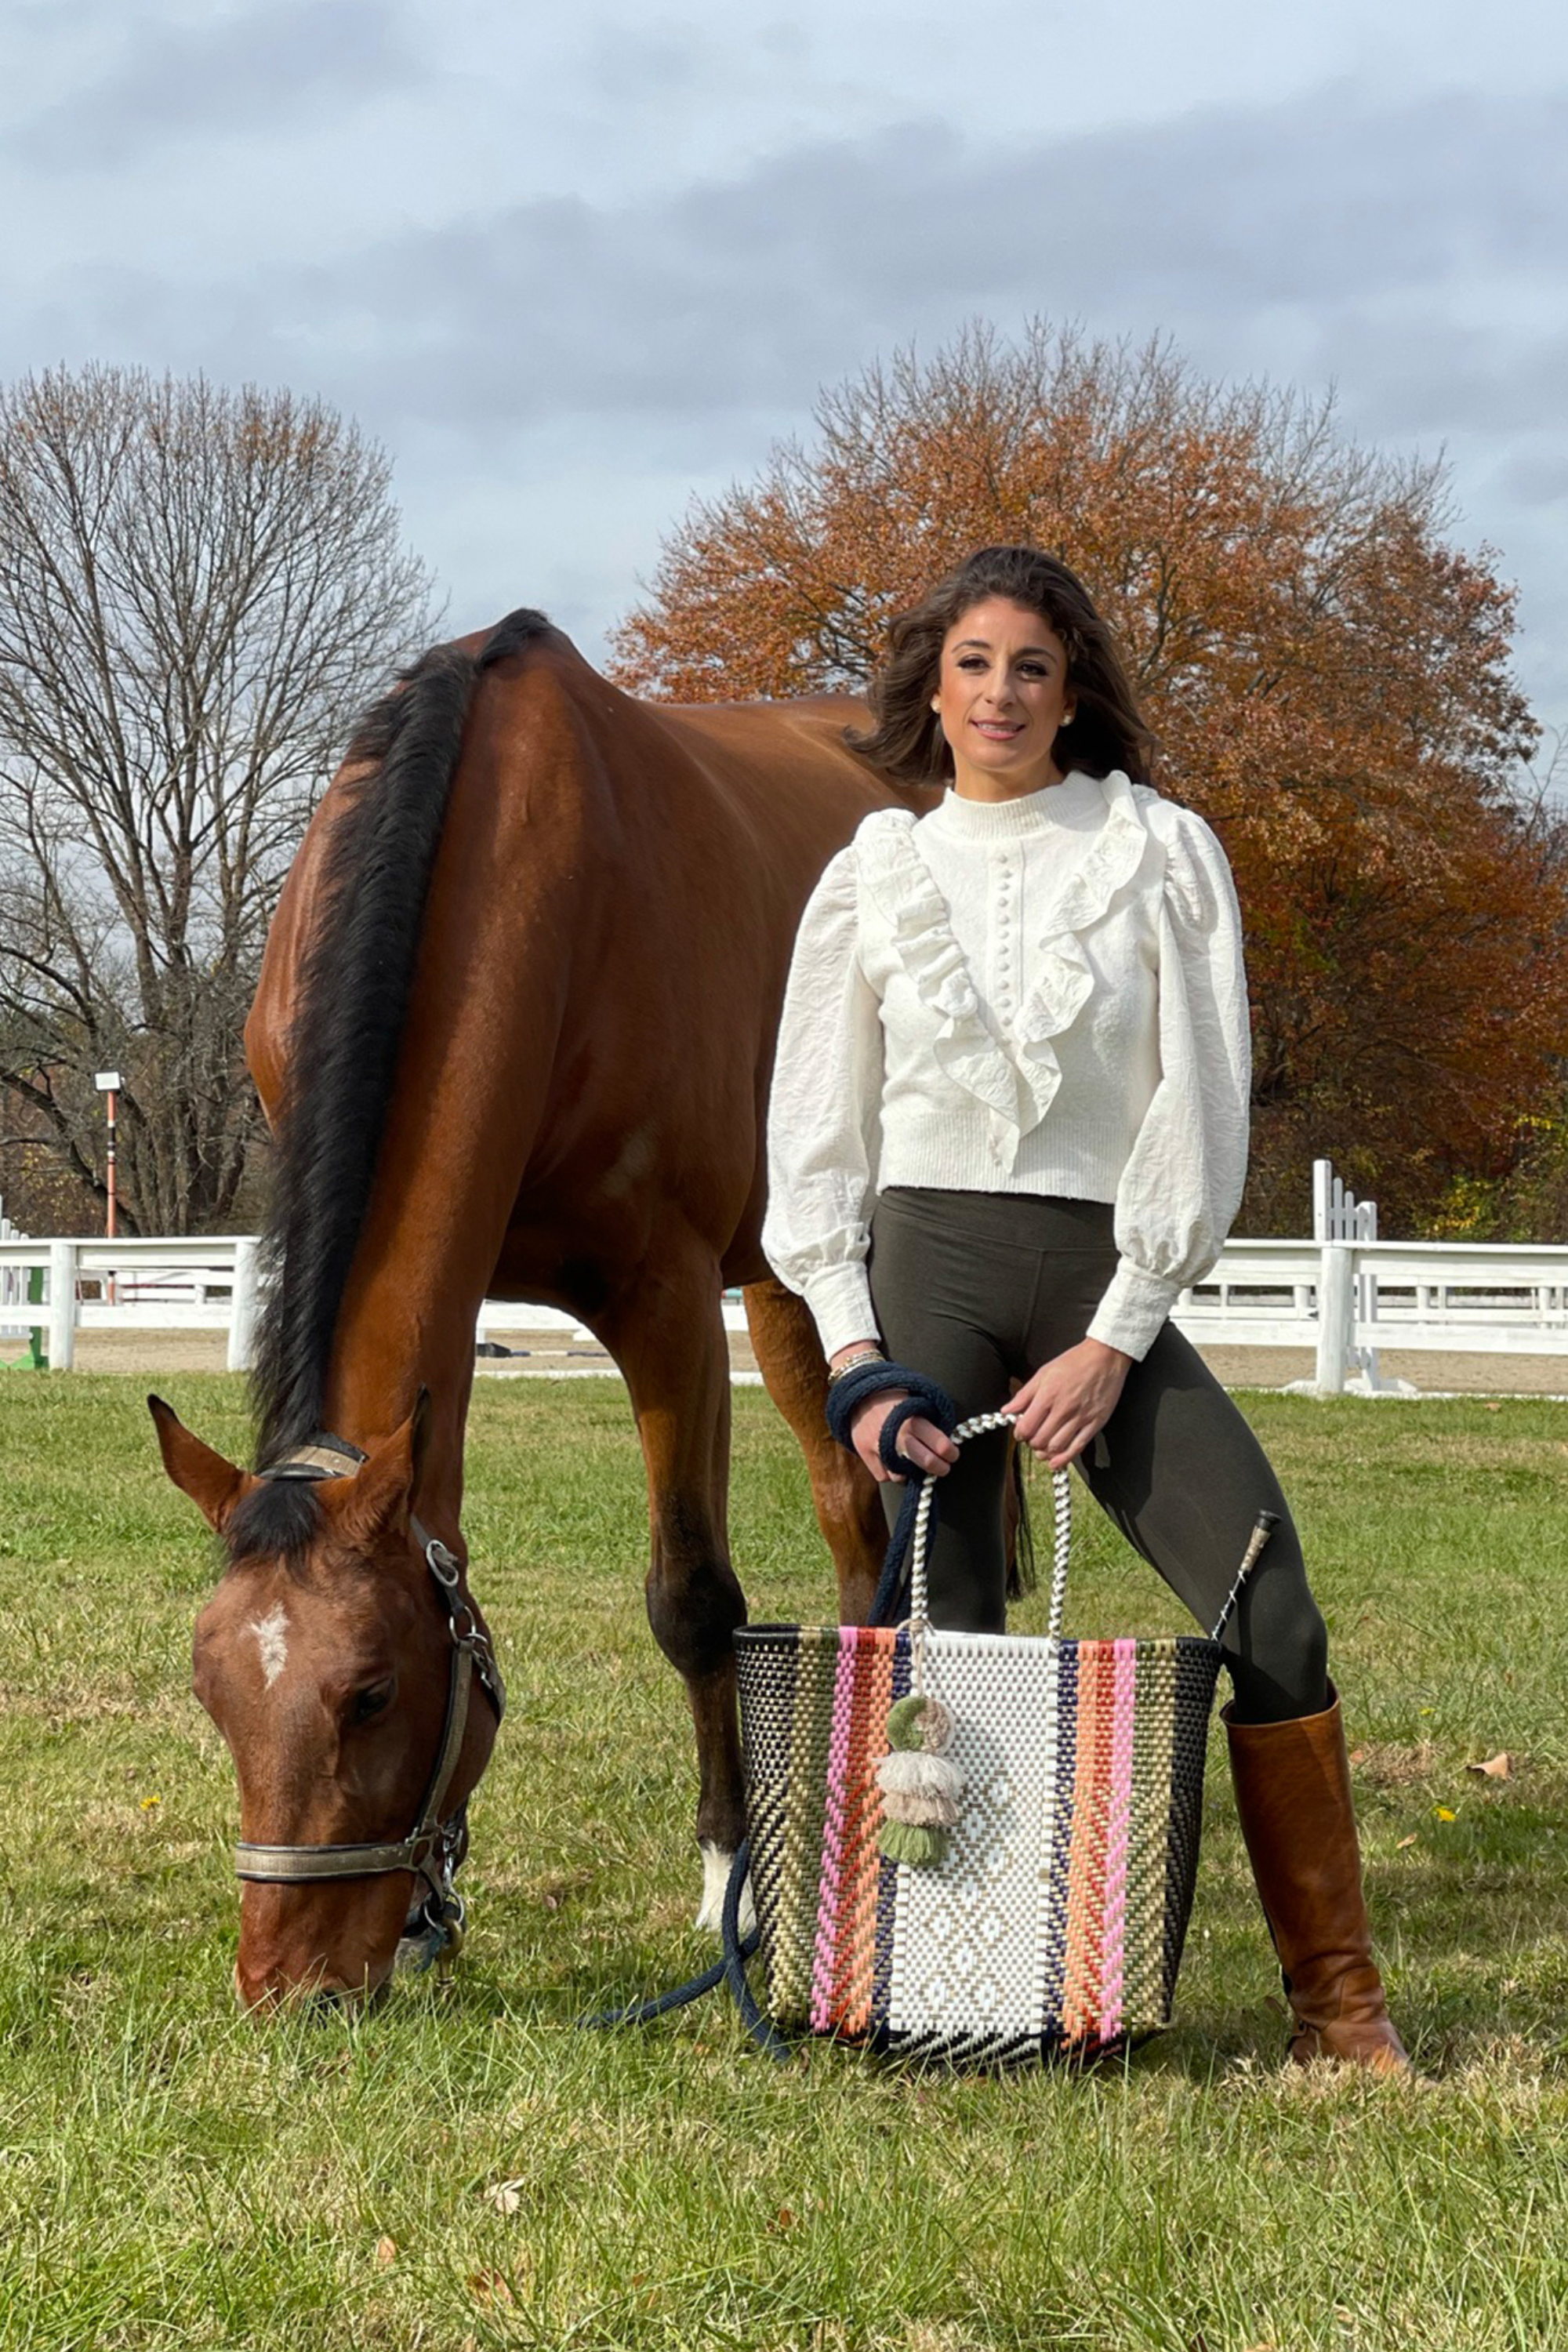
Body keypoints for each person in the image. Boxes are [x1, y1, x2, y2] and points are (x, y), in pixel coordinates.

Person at [762, 544, 1407, 2073]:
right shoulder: (873, 873)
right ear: (934, 682)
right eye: (973, 662)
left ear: (1072, 692)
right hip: (925, 1268)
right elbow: (815, 1132)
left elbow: (1203, 1099)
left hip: (1095, 1272)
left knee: (1269, 1601)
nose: (1000, 692)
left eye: (1030, 666)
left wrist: (1118, 1339)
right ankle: (953, 1993)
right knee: (945, 1636)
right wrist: (856, 1360)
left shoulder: (1160, 851)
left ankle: (1341, 2008)